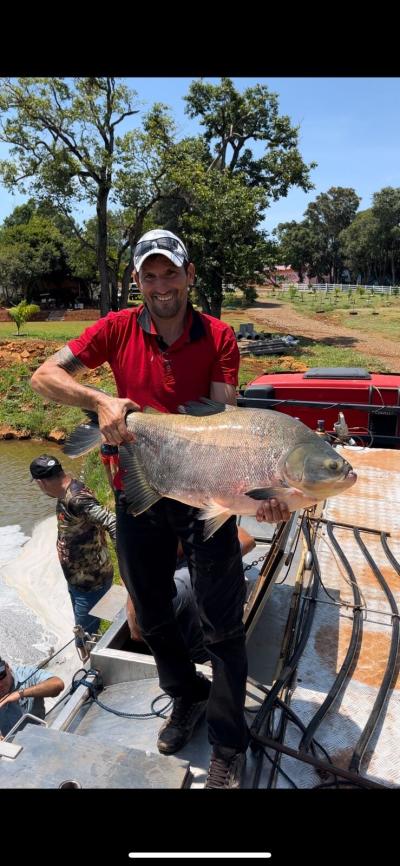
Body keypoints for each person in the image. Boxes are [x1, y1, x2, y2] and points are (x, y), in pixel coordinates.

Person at [30, 227, 290, 788]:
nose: (161, 284)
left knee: (223, 625)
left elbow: (227, 426)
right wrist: (99, 400)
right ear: (137, 281)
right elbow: (44, 374)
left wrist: (262, 493)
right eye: (149, 274)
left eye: (170, 272)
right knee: (149, 612)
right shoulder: (116, 328)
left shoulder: (220, 337)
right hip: (138, 488)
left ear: (189, 274)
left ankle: (226, 742)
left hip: (203, 495)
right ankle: (186, 696)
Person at [30, 454, 117, 654]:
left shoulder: (76, 499)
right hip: (79, 579)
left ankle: (92, 673)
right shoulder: (68, 489)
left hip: (90, 582)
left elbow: (112, 523)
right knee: (89, 630)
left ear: (41, 482)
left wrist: (128, 569)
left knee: (85, 639)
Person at [0, 655, 64, 738]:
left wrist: (20, 694)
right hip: (9, 745)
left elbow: (57, 684)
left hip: (40, 735)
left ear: (7, 667)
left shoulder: (25, 674)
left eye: (1, 675)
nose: (0, 684)